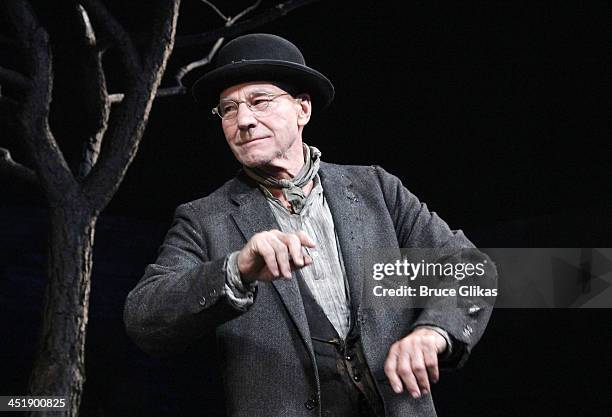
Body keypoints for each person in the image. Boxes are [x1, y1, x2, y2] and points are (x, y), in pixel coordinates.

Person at [124, 33, 496, 417]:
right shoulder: (204, 219)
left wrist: (433, 333)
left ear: (303, 109)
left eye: (260, 101)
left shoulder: (375, 189)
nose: (244, 120)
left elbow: (471, 267)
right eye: (228, 109)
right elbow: (144, 318)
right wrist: (236, 270)